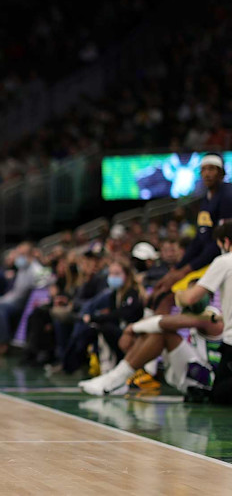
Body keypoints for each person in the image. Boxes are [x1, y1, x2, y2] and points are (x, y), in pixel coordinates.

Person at [79, 293, 223, 397]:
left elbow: (163, 323)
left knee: (162, 333)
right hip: (194, 375)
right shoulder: (194, 315)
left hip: (208, 380)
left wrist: (132, 328)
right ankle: (117, 379)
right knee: (153, 332)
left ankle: (116, 379)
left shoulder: (211, 317)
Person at [151, 153, 232, 313]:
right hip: (208, 260)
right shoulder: (207, 198)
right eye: (203, 169)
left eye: (212, 169)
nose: (207, 173)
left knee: (170, 294)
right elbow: (199, 240)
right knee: (162, 288)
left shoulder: (227, 196)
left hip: (222, 260)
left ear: (221, 173)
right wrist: (176, 269)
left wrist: (185, 270)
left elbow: (220, 242)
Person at [175, 223, 232, 404]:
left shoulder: (224, 262)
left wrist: (179, 295)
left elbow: (191, 298)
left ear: (226, 241)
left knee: (220, 396)